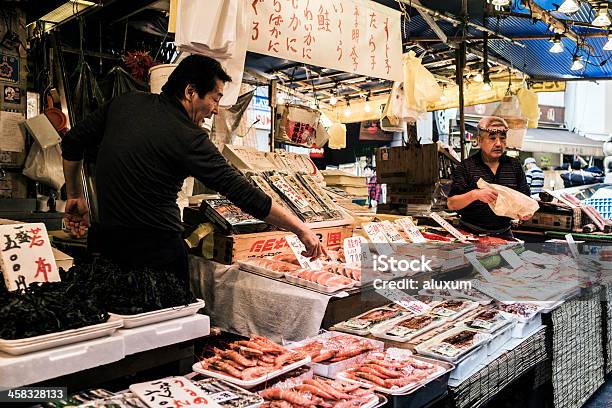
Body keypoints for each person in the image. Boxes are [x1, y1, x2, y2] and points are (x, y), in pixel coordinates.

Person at [61, 55, 326, 285]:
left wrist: (75, 194)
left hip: (105, 246)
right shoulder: (189, 137)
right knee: (168, 337)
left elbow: (72, 142)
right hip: (155, 255)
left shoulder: (124, 103)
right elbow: (242, 192)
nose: (215, 110)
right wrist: (300, 228)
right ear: (190, 92)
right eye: (214, 98)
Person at [447, 116, 532, 239]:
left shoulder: (514, 166)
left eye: (502, 138)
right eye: (492, 138)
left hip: (504, 235)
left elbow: (525, 200)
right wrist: (475, 194)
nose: (498, 143)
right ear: (479, 141)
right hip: (471, 235)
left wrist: (525, 212)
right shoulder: (467, 166)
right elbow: (452, 204)